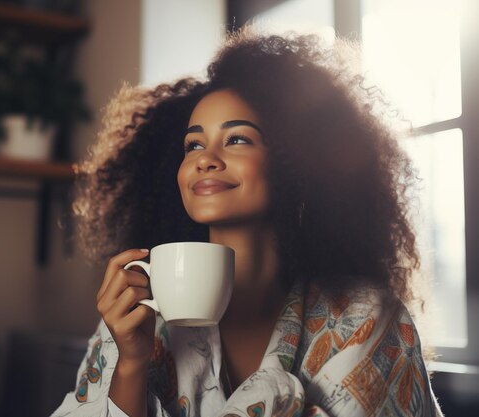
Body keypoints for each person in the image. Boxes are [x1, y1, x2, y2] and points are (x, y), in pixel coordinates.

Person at [52, 28, 442, 417]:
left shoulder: (367, 320)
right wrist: (132, 363)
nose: (206, 158)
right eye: (193, 145)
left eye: (237, 139)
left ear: (298, 166)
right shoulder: (133, 320)